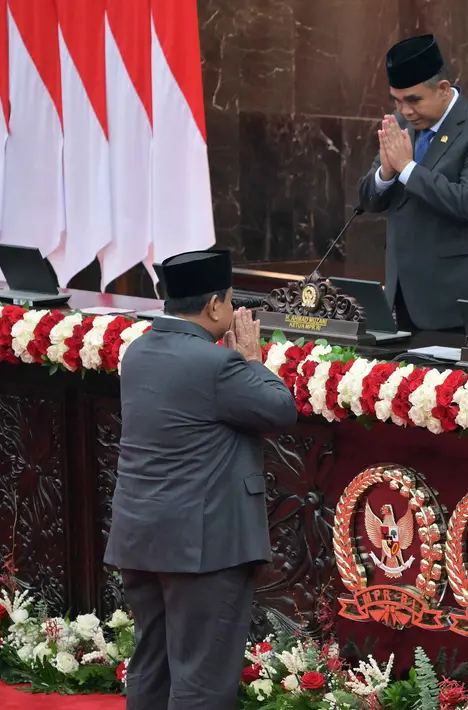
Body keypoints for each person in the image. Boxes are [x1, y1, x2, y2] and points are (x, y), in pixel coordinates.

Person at [105, 249, 298, 709]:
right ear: (215, 306)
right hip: (202, 549)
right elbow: (280, 409)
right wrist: (251, 357)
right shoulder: (216, 366)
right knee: (202, 681)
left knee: (152, 666)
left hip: (142, 539)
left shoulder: (138, 351)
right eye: (230, 302)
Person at [357, 34, 468, 331]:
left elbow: (467, 202)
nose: (404, 110)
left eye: (413, 100)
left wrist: (406, 167)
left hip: (461, 302)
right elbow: (368, 200)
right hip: (404, 296)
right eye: (397, 100)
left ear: (443, 89)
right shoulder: (402, 123)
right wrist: (386, 174)